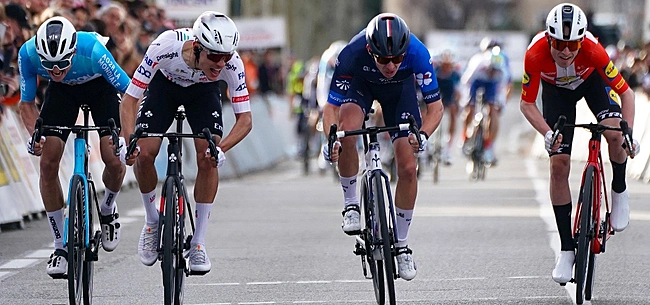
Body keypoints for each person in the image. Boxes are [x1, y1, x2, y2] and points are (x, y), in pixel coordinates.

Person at [120, 11, 252, 275]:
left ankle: (199, 242)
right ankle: (151, 221)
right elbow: (129, 101)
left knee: (208, 156)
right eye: (214, 56)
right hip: (164, 88)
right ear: (196, 46)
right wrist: (128, 141)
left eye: (226, 56)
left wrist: (221, 149)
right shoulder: (164, 46)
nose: (220, 63)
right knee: (145, 154)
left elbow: (245, 120)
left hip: (203, 94)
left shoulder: (230, 63)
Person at [519, 3, 639, 285]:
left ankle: (619, 190)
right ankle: (566, 248)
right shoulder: (534, 55)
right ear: (549, 39)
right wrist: (548, 134)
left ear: (581, 40)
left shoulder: (594, 50)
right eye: (559, 44)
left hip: (591, 83)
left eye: (572, 45)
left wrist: (629, 130)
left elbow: (627, 93)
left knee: (614, 134)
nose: (565, 51)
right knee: (558, 165)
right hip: (556, 93)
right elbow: (527, 104)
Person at [322, 13, 443, 281]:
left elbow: (436, 108)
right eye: (384, 59)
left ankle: (402, 246)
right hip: (361, 87)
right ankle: (351, 204)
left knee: (409, 168)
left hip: (400, 94)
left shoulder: (418, 53)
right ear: (370, 50)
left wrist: (422, 135)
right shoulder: (352, 53)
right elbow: (331, 107)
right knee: (347, 135)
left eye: (397, 59)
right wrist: (331, 137)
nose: (390, 65)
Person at [19, 16, 131, 277]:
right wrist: (36, 135)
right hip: (62, 94)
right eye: (50, 66)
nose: (56, 71)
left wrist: (126, 137)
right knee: (47, 163)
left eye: (62, 64)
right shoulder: (27, 53)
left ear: (72, 51)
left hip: (100, 88)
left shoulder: (92, 50)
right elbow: (26, 104)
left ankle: (107, 209)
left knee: (113, 159)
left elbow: (129, 93)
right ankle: (60, 246)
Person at [460, 46, 509, 165]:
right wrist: (466, 100)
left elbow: (501, 90)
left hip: (491, 85)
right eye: (491, 69)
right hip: (476, 82)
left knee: (492, 109)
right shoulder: (478, 64)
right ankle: (465, 137)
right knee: (470, 108)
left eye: (495, 70)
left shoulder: (502, 72)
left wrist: (501, 103)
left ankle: (488, 146)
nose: (493, 72)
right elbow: (466, 82)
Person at [433, 50, 461, 164]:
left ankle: (448, 147)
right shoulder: (434, 70)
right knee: (426, 110)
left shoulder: (456, 73)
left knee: (454, 111)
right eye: (444, 66)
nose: (447, 69)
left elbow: (459, 90)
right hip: (436, 91)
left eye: (449, 66)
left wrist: (458, 102)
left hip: (449, 93)